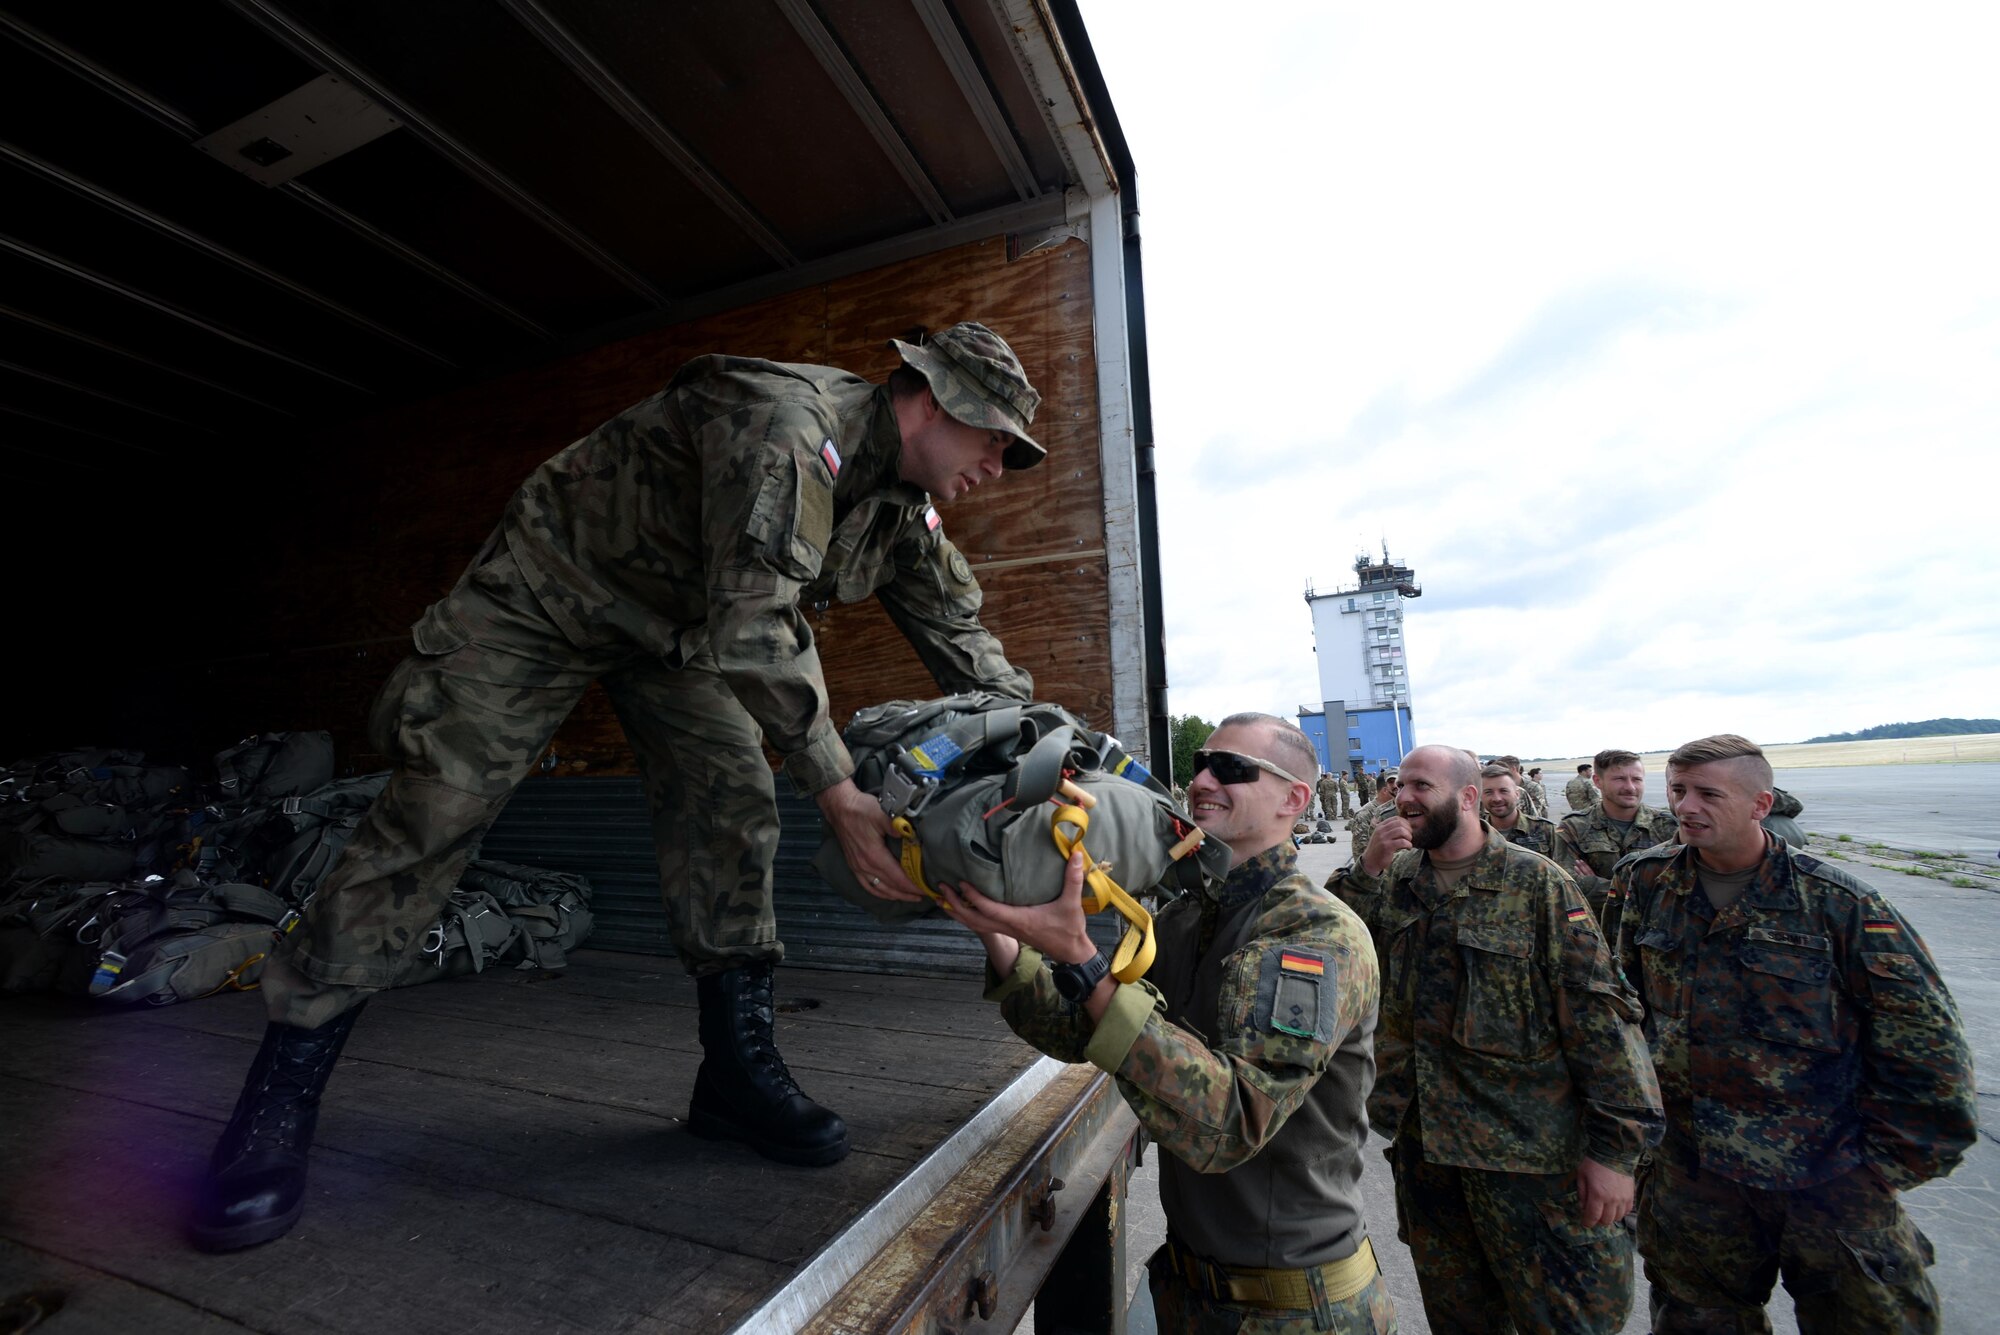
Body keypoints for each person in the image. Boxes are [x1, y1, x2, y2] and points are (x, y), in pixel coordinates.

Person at [190, 322, 1049, 1252]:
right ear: (927, 399)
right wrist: (840, 792)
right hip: (552, 591)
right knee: (438, 807)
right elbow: (759, 621)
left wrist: (1051, 751)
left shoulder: (903, 507)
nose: (998, 468)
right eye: (993, 441)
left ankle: (733, 1078)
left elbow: (965, 642)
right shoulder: (791, 426)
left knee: (734, 805)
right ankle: (279, 1099)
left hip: (678, 634)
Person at [940, 714, 1398, 1333]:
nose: (1204, 779)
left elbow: (1231, 1122)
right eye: (1202, 764)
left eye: (1232, 768)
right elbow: (1084, 1033)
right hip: (1191, 1292)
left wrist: (1080, 955)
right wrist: (997, 931)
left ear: (1295, 799)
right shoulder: (1186, 918)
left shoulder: (1314, 935)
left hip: (1297, 1311)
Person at [1613, 735, 1976, 1333]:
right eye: (1678, 790)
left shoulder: (1839, 903)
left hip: (1827, 1175)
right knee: (1699, 1320)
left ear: (1761, 804)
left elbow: (1927, 1045)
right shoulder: (1645, 883)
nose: (1686, 807)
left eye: (1708, 794)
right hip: (1693, 1172)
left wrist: (1881, 1167)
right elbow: (1624, 1010)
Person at [1329, 745, 1662, 1334]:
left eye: (1421, 787)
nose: (1404, 798)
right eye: (1401, 784)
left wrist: (1615, 1153)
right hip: (1428, 1153)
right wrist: (1367, 872)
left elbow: (1602, 1022)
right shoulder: (1398, 880)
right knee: (1459, 1319)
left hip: (1529, 1161)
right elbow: (1331, 944)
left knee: (1566, 1321)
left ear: (1467, 798)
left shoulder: (1539, 886)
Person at [1553, 748, 1678, 927]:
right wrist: (1646, 889)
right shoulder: (1574, 827)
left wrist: (1598, 884)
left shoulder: (1667, 826)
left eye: (1637, 779)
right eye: (1619, 779)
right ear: (1598, 781)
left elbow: (1679, 887)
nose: (1630, 787)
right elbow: (1570, 887)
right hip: (1599, 934)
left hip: (1656, 930)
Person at [1480, 763, 1559, 860]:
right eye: (1488, 792)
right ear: (1480, 796)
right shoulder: (1475, 833)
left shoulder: (1547, 830)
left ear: (1517, 794)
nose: (1497, 798)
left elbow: (1565, 871)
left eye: (1503, 791)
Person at [1346, 771, 1399, 870]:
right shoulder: (1366, 814)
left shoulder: (1400, 808)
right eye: (1393, 784)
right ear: (1385, 790)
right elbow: (1360, 853)